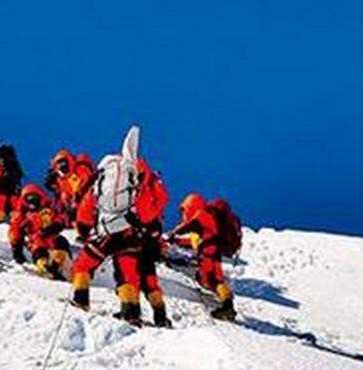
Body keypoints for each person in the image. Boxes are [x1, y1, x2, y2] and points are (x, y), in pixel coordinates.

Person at [70, 127, 169, 327]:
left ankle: (80, 301)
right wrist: (150, 229)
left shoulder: (101, 185)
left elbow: (86, 208)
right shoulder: (138, 184)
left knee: (83, 264)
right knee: (128, 273)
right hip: (132, 234)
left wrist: (83, 230)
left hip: (106, 232)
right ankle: (131, 313)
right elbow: (151, 209)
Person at [169, 193, 239, 321]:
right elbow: (195, 240)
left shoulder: (202, 214)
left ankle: (227, 306)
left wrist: (173, 233)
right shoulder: (209, 220)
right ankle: (228, 305)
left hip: (208, 252)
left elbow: (189, 225)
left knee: (209, 279)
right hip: (214, 251)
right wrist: (178, 241)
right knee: (217, 280)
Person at [9, 184, 72, 279]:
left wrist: (56, 225)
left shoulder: (48, 209)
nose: (32, 203)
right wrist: (16, 247)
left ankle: (61, 265)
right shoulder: (22, 215)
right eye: (28, 200)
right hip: (36, 240)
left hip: (52, 237)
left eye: (34, 199)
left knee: (61, 243)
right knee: (39, 250)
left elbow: (60, 218)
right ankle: (44, 267)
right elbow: (14, 229)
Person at [44, 148, 94, 219]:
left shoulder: (80, 169)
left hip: (89, 204)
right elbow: (62, 199)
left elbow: (86, 182)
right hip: (76, 214)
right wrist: (52, 186)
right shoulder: (62, 182)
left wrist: (76, 199)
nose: (62, 167)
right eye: (59, 165)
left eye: (63, 163)